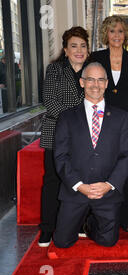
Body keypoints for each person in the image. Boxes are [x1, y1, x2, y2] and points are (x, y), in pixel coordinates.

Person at [52, 62, 128, 248]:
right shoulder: (66, 117)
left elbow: (127, 155)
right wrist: (79, 186)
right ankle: (77, 220)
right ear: (82, 82)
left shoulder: (122, 117)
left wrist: (109, 185)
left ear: (106, 83)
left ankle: (89, 224)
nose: (95, 85)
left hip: (106, 191)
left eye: (100, 80)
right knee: (62, 242)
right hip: (76, 190)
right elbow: (60, 156)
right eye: (90, 79)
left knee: (108, 241)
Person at [90, 15, 128, 232]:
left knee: (125, 166)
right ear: (106, 34)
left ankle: (125, 216)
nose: (116, 35)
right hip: (100, 120)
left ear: (126, 35)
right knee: (101, 164)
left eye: (120, 31)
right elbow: (92, 88)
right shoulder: (95, 57)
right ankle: (101, 215)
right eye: (112, 31)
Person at [38, 26, 90, 247]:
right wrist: (75, 120)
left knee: (79, 181)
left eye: (83, 46)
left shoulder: (93, 70)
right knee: (53, 182)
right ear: (65, 49)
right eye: (74, 46)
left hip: (85, 138)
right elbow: (49, 101)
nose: (79, 50)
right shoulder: (55, 69)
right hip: (55, 133)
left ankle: (78, 224)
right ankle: (47, 229)